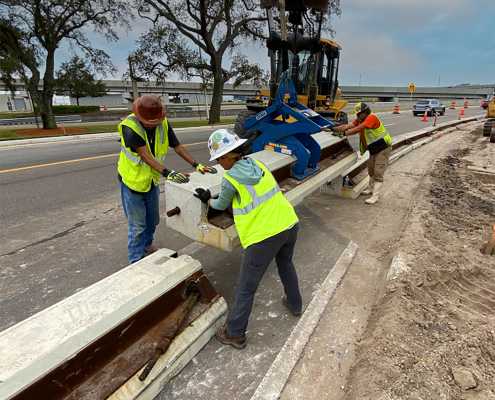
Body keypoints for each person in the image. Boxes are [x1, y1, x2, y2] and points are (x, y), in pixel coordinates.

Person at [194, 128, 303, 350]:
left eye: (218, 159)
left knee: (245, 288)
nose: (218, 164)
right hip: (289, 223)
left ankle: (235, 333)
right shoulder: (258, 165)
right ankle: (295, 304)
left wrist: (207, 199)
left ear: (227, 156)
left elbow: (220, 205)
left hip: (264, 236)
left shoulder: (230, 178)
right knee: (286, 264)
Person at [117, 95, 216, 263]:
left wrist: (196, 165)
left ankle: (147, 245)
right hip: (132, 182)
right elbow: (145, 155)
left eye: (157, 120)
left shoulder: (162, 123)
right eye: (151, 122)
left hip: (151, 181)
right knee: (138, 226)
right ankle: (136, 260)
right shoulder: (130, 128)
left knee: (153, 220)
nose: (155, 124)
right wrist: (168, 173)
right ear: (141, 118)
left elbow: (177, 146)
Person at [333, 102, 393, 204]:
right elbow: (350, 125)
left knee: (378, 171)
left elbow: (358, 128)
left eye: (359, 114)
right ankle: (370, 189)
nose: (357, 116)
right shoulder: (361, 118)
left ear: (365, 112)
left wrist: (344, 133)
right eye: (357, 114)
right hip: (374, 148)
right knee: (371, 169)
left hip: (383, 147)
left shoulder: (371, 118)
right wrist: (335, 128)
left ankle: (375, 196)